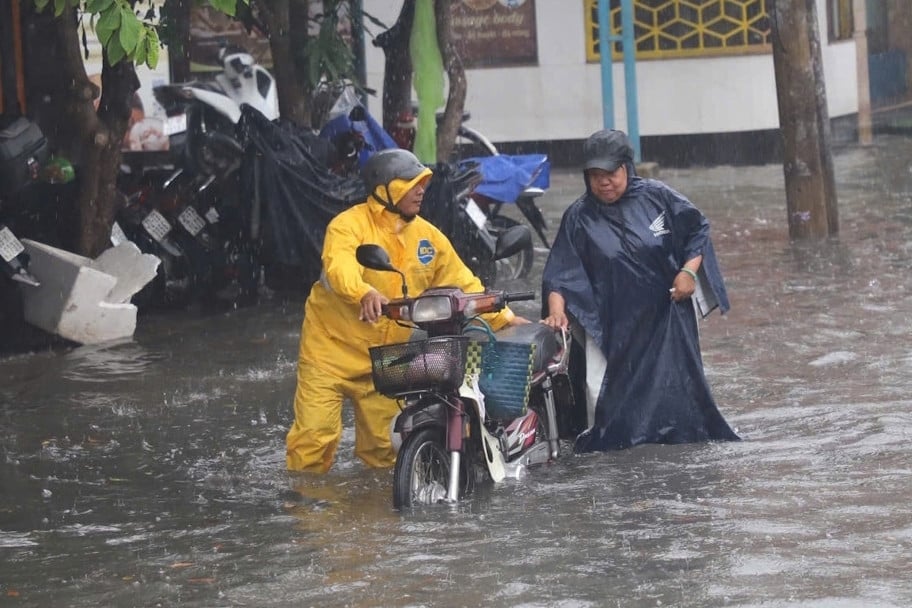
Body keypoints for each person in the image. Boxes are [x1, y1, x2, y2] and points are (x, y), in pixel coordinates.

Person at [286, 148, 529, 473]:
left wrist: (505, 318)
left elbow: (464, 285)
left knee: (386, 452)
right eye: (410, 183)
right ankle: (303, 508)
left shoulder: (428, 238)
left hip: (385, 359)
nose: (420, 190)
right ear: (384, 189)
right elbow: (338, 267)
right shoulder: (347, 226)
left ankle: (379, 515)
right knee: (314, 439)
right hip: (328, 354)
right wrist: (363, 293)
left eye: (422, 184)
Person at [540, 128, 739, 452]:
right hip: (608, 323)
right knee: (601, 401)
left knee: (677, 394)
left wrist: (688, 271)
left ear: (627, 168)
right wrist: (556, 311)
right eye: (595, 175)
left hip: (665, 316)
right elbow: (561, 274)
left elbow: (697, 230)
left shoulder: (659, 198)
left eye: (611, 173)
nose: (604, 182)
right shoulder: (578, 217)